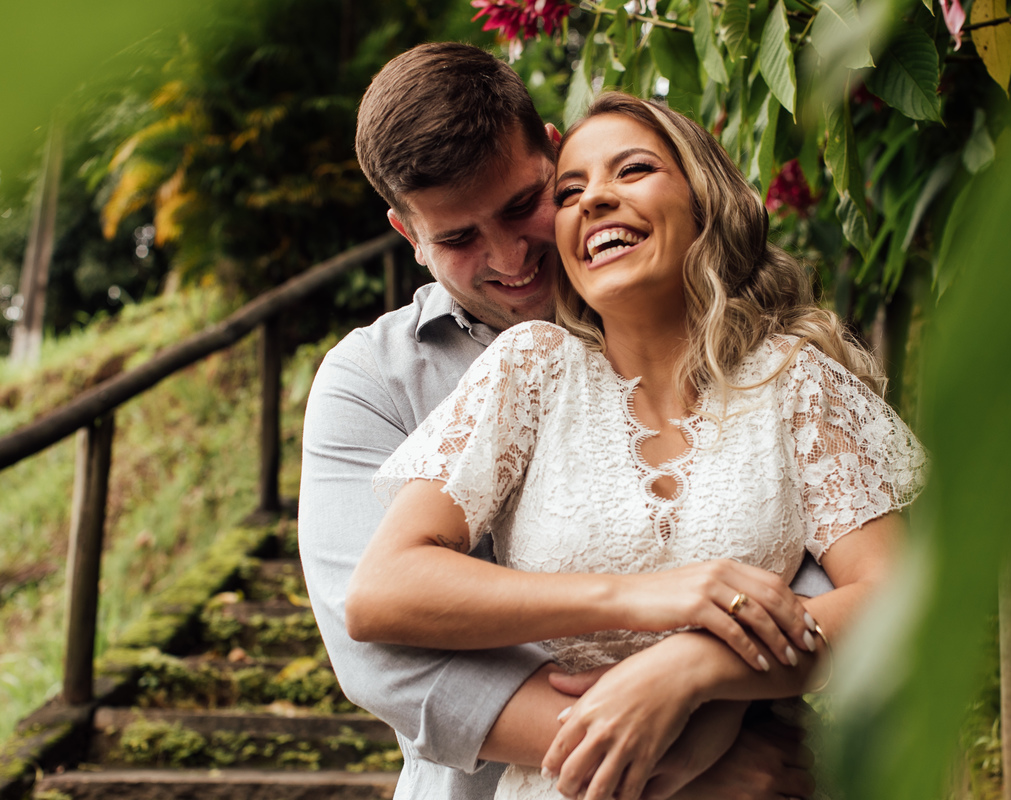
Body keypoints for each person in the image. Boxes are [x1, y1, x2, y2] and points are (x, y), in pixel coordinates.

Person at [344, 92, 927, 800]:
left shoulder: (795, 381)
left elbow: (896, 599)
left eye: (633, 170)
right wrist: (646, 601)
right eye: (572, 189)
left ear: (703, 200)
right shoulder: (530, 369)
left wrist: (690, 669)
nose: (595, 200)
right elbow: (382, 591)